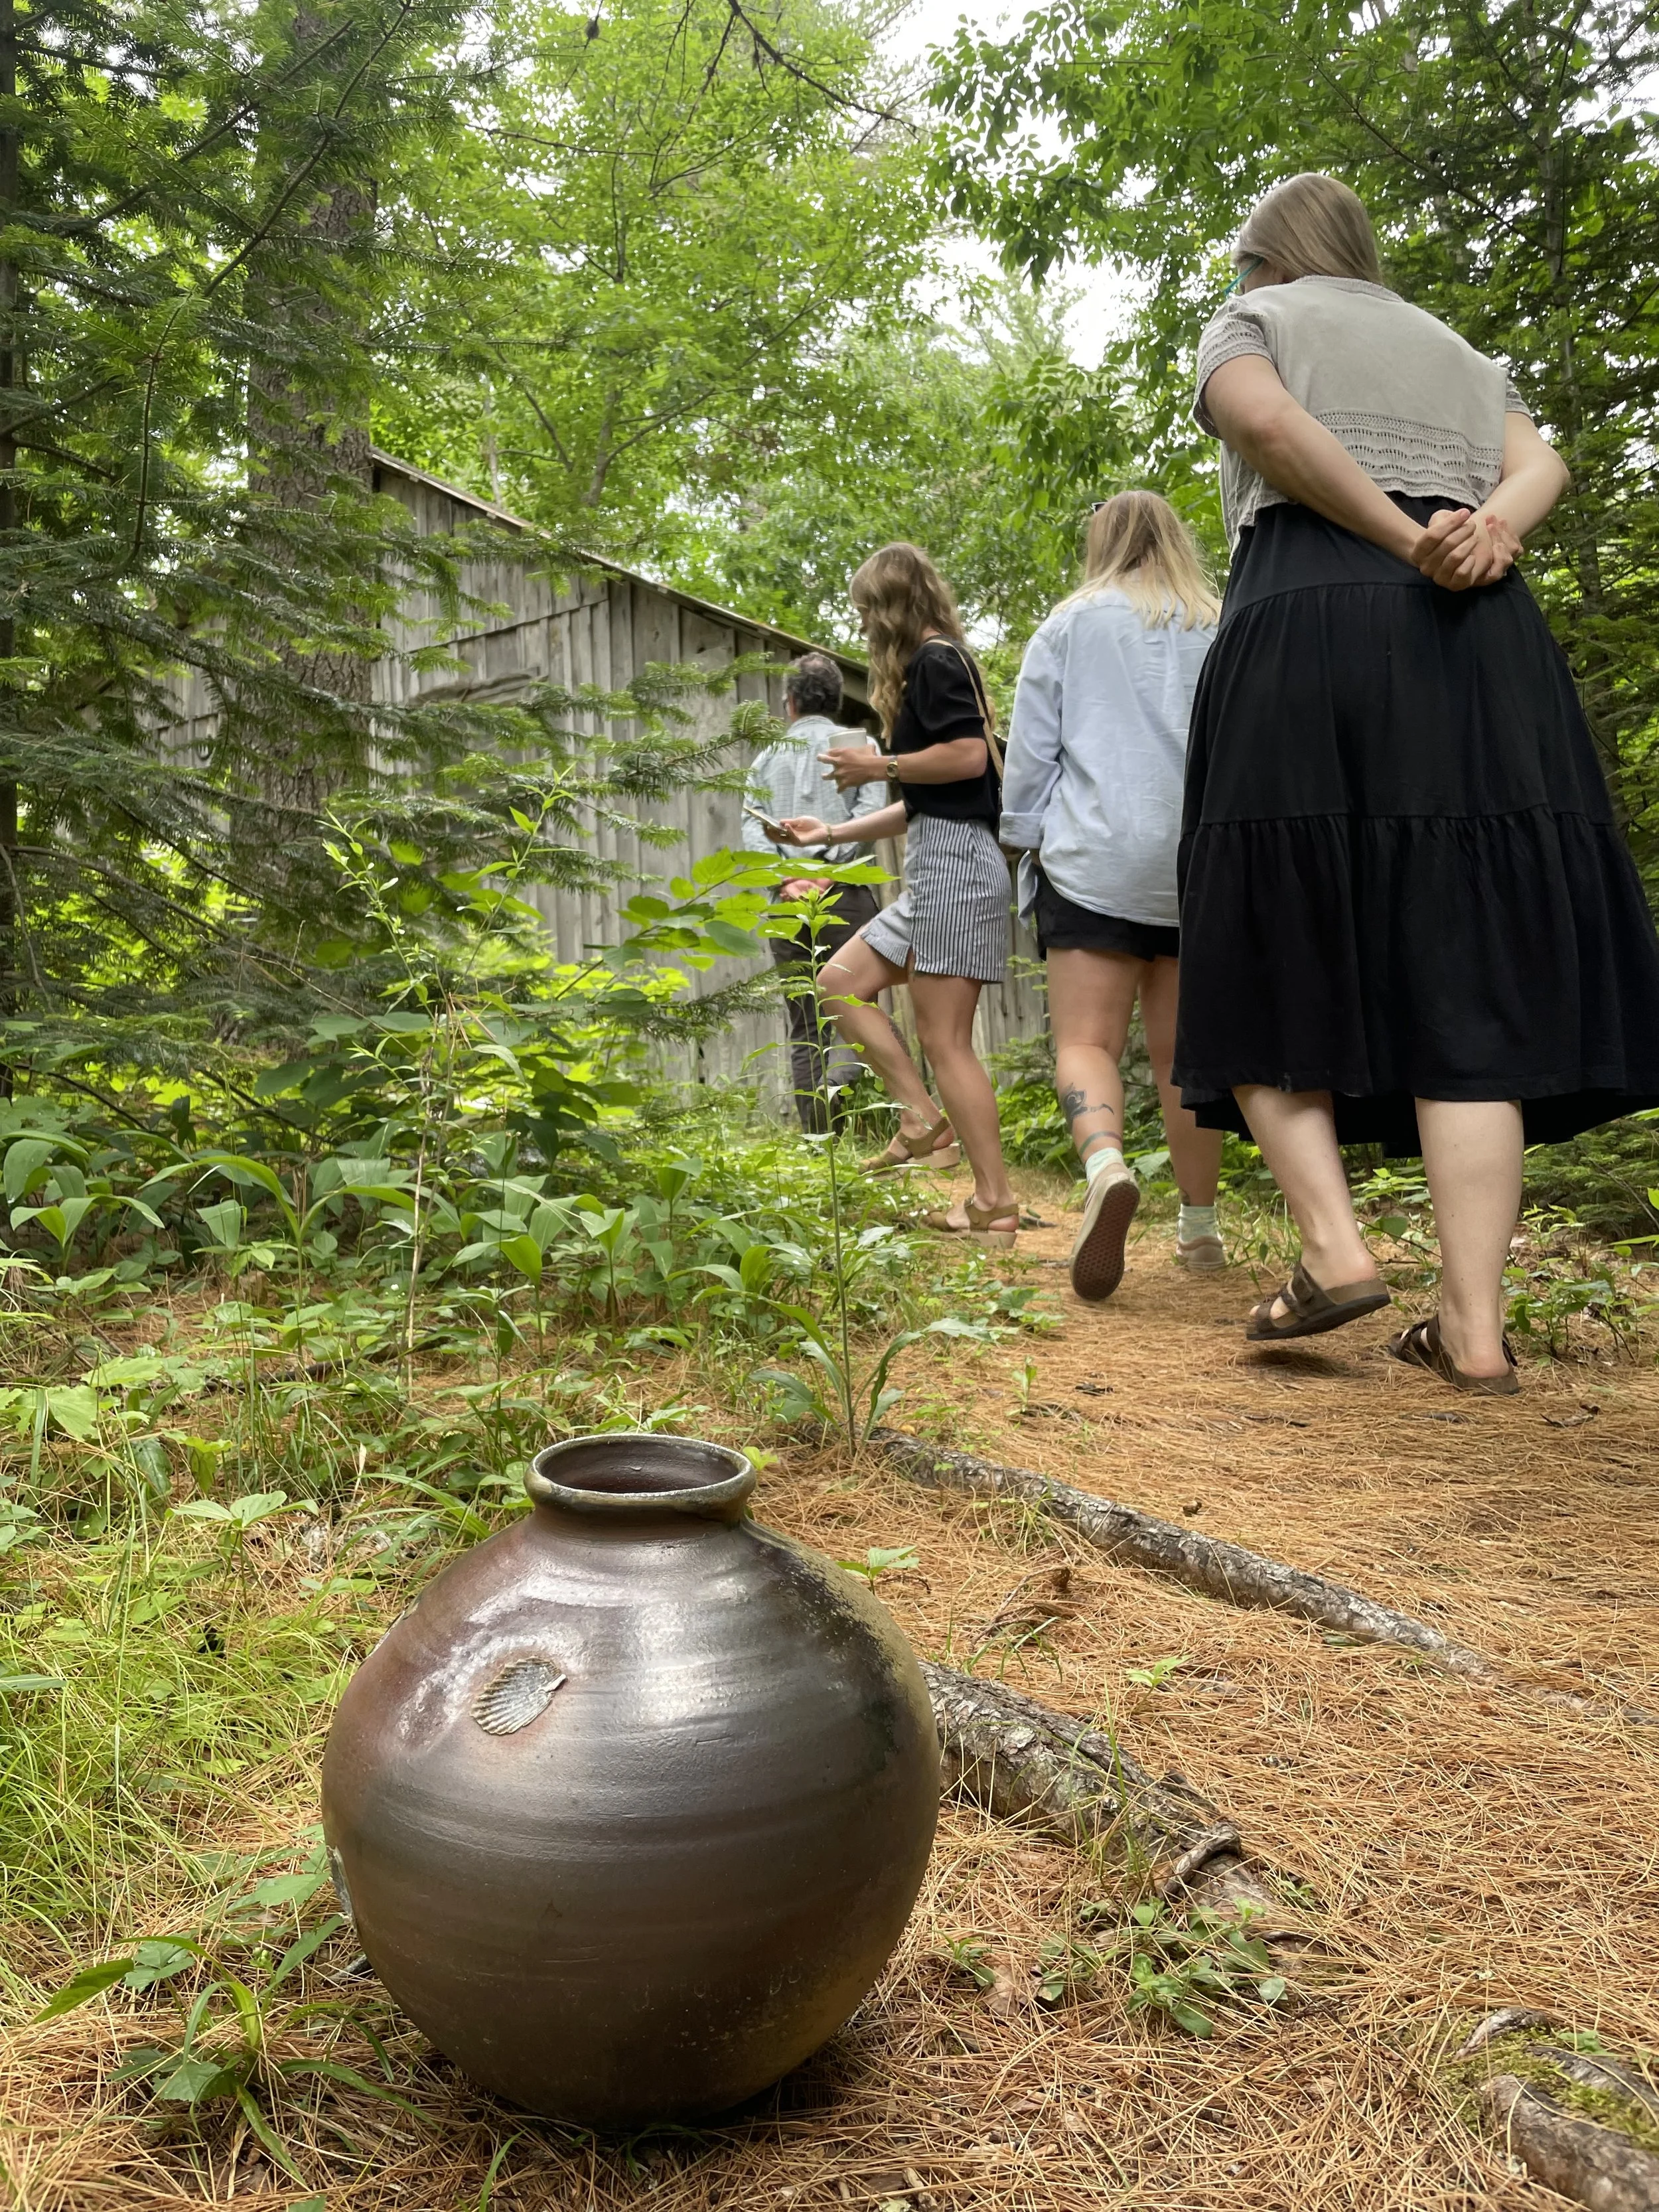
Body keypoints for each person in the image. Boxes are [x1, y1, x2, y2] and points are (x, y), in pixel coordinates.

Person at [1175, 171, 1659, 1394]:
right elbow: (1541, 466)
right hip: (1480, 646)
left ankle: (1334, 1249)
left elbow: (1266, 430)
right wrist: (1484, 531)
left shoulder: (1256, 322)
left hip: (1304, 624)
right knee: (1473, 963)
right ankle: (1475, 1333)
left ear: (1265, 257)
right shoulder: (1457, 350)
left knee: (1269, 924)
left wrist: (1403, 538)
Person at [1001, 490, 1224, 1301]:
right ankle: (1200, 1234)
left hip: (1094, 856)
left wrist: (1019, 839)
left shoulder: (1070, 623)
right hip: (1194, 866)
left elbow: (1030, 755)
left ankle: (1104, 1164)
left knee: (1086, 1041)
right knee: (1182, 1061)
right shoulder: (1219, 620)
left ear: (1103, 543)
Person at [778, 542, 1020, 1247]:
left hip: (956, 868)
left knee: (946, 1043)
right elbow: (925, 799)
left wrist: (877, 761)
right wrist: (832, 828)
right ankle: (918, 1119)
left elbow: (968, 759)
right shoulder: (933, 669)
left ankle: (994, 1202)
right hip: (937, 861)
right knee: (838, 983)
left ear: (889, 608)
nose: (863, 628)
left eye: (865, 612)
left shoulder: (938, 662)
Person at [743, 652, 886, 1133]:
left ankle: (819, 1137)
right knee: (858, 1004)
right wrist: (832, 872)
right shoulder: (860, 745)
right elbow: (870, 813)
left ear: (790, 703)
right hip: (847, 898)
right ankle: (860, 1116)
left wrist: (788, 880)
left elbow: (752, 825)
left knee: (806, 1023)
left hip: (787, 906)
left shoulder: (764, 759)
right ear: (836, 700)